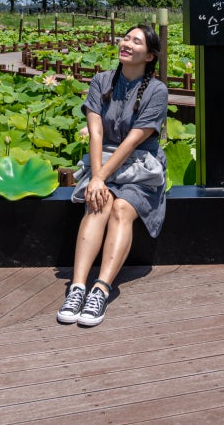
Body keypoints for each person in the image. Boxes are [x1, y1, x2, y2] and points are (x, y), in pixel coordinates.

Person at [56, 23, 168, 327]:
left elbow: (133, 140)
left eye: (136, 42)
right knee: (99, 202)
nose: (127, 44)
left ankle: (101, 289)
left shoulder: (157, 91)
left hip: (141, 168)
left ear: (149, 56)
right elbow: (95, 133)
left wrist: (99, 177)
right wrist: (97, 176)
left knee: (120, 208)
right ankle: (77, 287)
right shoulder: (102, 81)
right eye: (126, 38)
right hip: (102, 161)